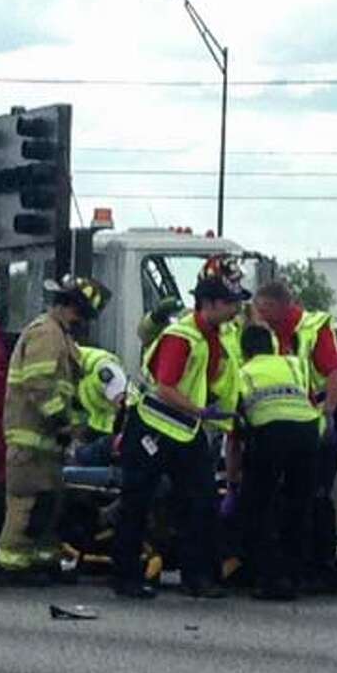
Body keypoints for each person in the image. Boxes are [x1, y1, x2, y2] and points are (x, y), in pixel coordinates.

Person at [111, 257, 248, 601]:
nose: (236, 309)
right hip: (153, 427)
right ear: (210, 303)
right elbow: (165, 388)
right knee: (137, 503)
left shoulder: (216, 335)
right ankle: (126, 577)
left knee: (200, 502)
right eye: (230, 303)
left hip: (185, 429)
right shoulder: (181, 337)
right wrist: (201, 411)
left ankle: (197, 577)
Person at [0, 275, 112, 586]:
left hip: (46, 439)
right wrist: (62, 419)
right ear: (70, 307)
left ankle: (41, 560)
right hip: (31, 438)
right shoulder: (46, 333)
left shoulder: (60, 334)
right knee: (27, 503)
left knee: (47, 504)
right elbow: (39, 383)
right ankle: (12, 566)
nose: (83, 323)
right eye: (81, 315)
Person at [251, 278, 337, 585]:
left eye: (263, 308)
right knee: (288, 492)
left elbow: (334, 371)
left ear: (280, 306)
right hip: (287, 416)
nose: (259, 315)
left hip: (321, 411)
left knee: (317, 490)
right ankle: (291, 564)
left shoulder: (312, 328)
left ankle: (320, 564)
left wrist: (328, 415)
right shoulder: (268, 332)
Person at [233, 326, 322, 601]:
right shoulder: (294, 364)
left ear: (244, 351)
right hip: (308, 432)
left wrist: (234, 478)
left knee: (258, 506)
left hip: (269, 433)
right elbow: (309, 397)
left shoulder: (241, 373)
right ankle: (295, 576)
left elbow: (234, 433)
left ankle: (268, 579)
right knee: (299, 505)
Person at [71, 345, 128, 467]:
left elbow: (124, 404)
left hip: (114, 433)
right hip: (95, 429)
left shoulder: (102, 368)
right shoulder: (79, 374)